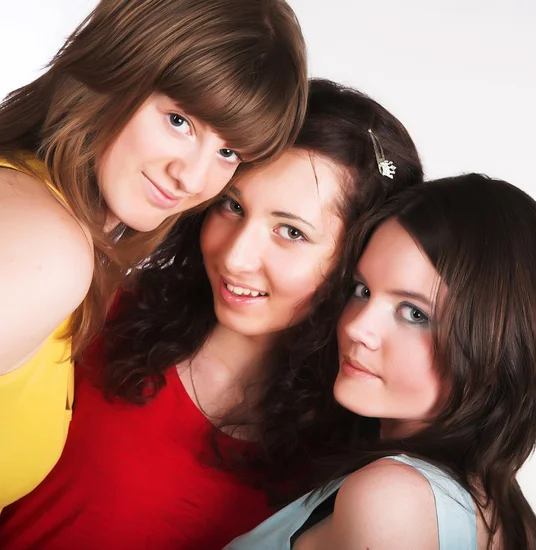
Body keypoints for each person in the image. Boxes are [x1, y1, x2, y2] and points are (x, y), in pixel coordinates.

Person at [0, 79, 423, 550]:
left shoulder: (357, 460)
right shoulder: (92, 306)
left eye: (291, 232)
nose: (236, 256)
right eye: (232, 205)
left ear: (357, 259)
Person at [0, 0, 308, 508]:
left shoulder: (49, 220)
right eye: (179, 121)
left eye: (228, 152)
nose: (192, 177)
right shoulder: (48, 247)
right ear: (117, 68)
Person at [225, 173, 536, 549]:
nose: (357, 327)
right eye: (362, 290)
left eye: (415, 314)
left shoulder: (392, 500)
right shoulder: (492, 504)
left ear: (493, 346)